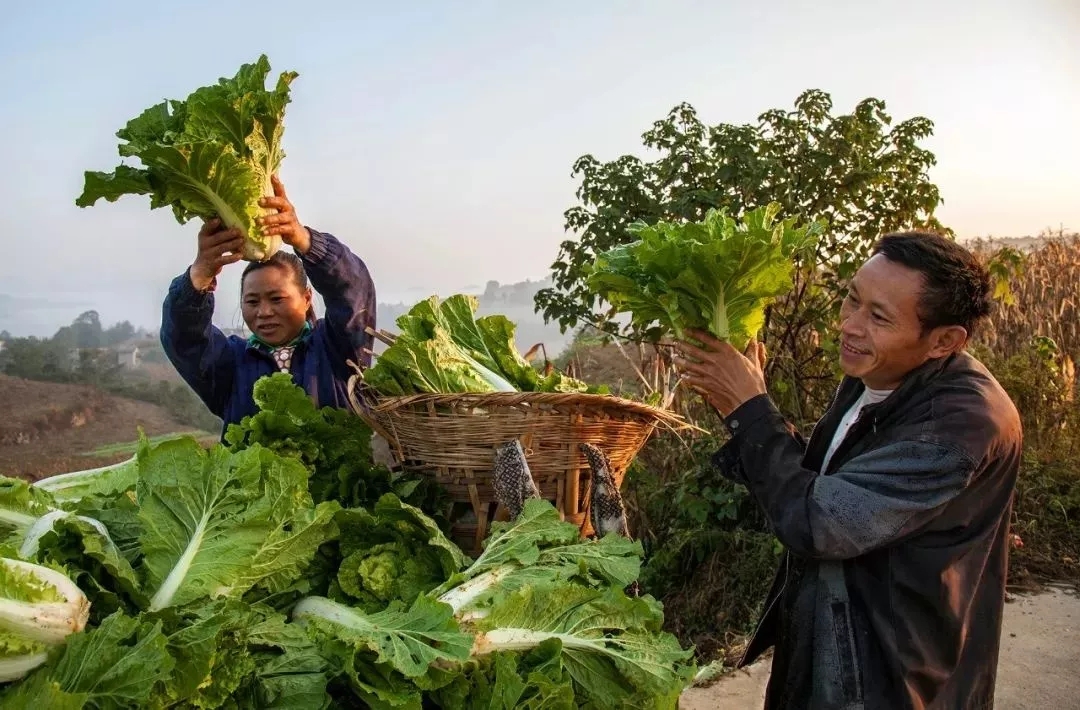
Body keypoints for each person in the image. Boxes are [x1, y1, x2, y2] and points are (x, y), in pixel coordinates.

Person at [673, 231, 1022, 709]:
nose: (849, 325)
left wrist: (750, 411)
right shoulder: (879, 375)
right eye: (851, 300)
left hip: (889, 674)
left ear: (943, 340)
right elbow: (825, 486)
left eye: (878, 317)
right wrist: (745, 409)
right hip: (830, 640)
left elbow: (821, 523)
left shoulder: (960, 426)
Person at [160, 175, 376, 434]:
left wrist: (305, 240)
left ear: (306, 298)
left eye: (277, 299)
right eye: (252, 301)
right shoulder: (229, 365)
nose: (264, 312)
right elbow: (183, 339)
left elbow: (354, 291)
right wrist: (199, 274)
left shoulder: (337, 351)